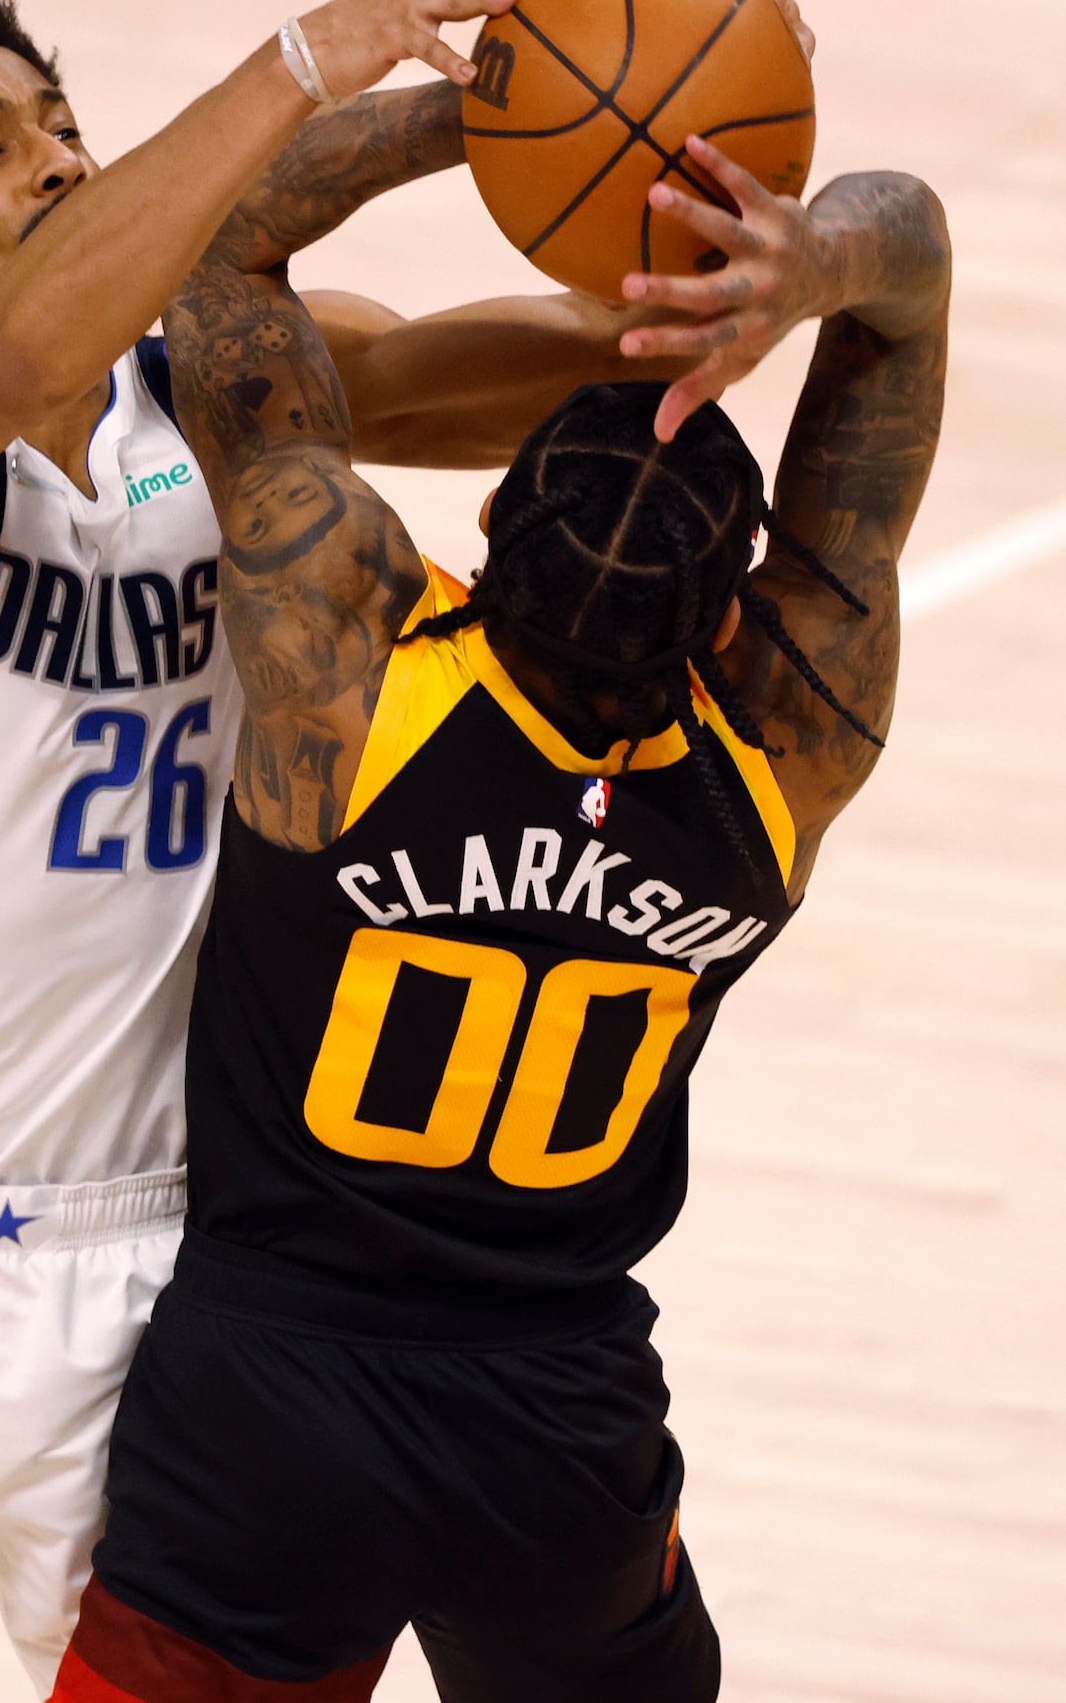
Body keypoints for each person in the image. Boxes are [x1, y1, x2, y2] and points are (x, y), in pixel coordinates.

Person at [0, 0, 798, 1702]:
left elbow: (590, 358)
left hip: (156, 1273)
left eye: (66, 123)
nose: (59, 156)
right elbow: (9, 362)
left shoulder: (227, 402)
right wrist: (313, 65)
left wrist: (644, 139)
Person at [52, 132, 950, 1700]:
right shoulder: (786, 745)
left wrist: (479, 109)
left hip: (264, 1403)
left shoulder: (341, 668)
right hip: (554, 1427)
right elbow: (913, 279)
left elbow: (221, 256)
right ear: (735, 613)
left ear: (466, 544)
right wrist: (806, 268)